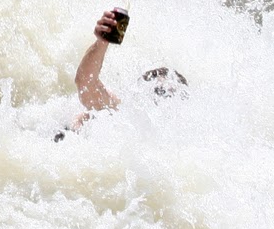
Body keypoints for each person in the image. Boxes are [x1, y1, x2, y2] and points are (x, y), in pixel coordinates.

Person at [61, 8, 188, 136]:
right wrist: (102, 42)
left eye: (172, 96)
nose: (165, 101)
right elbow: (86, 81)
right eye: (160, 92)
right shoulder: (124, 113)